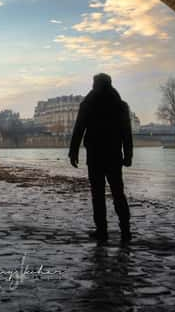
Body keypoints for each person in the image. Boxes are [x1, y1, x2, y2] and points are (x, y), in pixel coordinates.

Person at [69, 73, 133, 244]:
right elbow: (126, 132)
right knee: (118, 192)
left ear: (95, 84)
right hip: (113, 154)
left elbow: (79, 128)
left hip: (95, 154)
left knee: (97, 194)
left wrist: (73, 151)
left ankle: (101, 230)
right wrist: (128, 154)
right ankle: (125, 228)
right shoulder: (120, 105)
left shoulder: (88, 103)